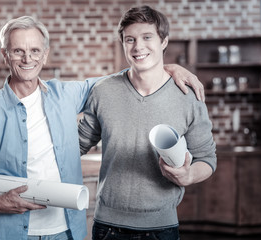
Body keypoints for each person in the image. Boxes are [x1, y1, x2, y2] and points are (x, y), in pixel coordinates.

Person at [0, 16, 204, 240]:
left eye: (34, 50)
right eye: (18, 50)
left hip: (66, 231)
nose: (27, 58)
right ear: (6, 54)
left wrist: (166, 67)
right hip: (10, 231)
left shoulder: (63, 94)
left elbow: (118, 81)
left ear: (45, 55)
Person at [78, 5, 217, 240]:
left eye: (146, 37)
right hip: (108, 226)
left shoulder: (188, 96)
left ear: (164, 41)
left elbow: (207, 158)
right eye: (129, 39)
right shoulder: (103, 91)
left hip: (162, 228)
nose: (138, 46)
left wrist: (189, 176)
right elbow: (75, 145)